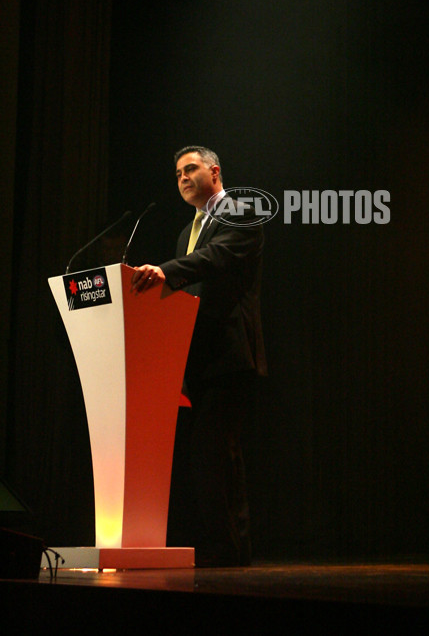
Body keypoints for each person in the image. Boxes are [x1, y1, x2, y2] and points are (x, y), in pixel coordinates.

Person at [130, 146, 266, 567]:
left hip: (230, 352)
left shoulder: (241, 211)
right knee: (214, 455)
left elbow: (217, 257)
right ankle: (229, 548)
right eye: (177, 174)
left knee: (213, 453)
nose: (183, 178)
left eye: (190, 169)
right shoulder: (185, 231)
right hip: (196, 358)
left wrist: (167, 271)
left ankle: (224, 550)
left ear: (215, 171)